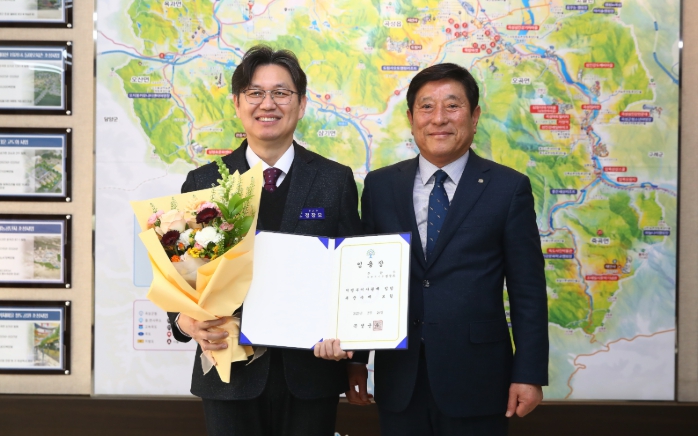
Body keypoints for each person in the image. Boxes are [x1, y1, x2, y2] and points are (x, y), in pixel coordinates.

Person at [314, 63, 549, 436]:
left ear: (474, 116)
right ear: (411, 119)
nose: (439, 118)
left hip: (478, 378)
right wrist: (356, 362)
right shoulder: (380, 186)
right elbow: (362, 280)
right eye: (426, 107)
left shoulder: (508, 189)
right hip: (399, 378)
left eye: (452, 106)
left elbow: (528, 290)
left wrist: (529, 373)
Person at [168, 45, 362, 436]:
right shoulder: (203, 182)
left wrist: (354, 343)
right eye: (255, 93)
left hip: (311, 374)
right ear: (237, 103)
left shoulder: (334, 180)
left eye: (281, 93)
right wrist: (185, 321)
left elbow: (354, 274)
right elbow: (179, 279)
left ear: (301, 104)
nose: (267, 104)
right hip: (229, 373)